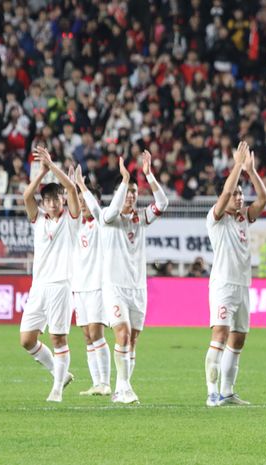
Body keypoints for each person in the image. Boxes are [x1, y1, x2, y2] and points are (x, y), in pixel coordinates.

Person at [204, 141, 266, 407]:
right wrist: (236, 167)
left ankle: (227, 392)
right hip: (223, 285)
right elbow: (226, 191)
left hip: (243, 285)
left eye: (242, 195)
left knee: (238, 337)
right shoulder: (216, 216)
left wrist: (250, 171)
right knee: (220, 333)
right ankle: (211, 392)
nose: (240, 198)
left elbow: (263, 199)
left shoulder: (243, 217)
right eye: (236, 195)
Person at [102, 150, 169, 404]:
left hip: (138, 288)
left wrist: (149, 175)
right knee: (122, 333)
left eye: (133, 192)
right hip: (115, 287)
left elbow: (162, 204)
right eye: (127, 191)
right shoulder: (109, 218)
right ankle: (122, 387)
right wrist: (125, 179)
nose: (131, 195)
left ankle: (123, 388)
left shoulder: (140, 218)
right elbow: (110, 212)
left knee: (133, 340)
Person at [20, 146, 80, 402]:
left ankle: (56, 389)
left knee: (58, 337)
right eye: (49, 200)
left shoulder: (71, 219)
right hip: (39, 286)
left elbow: (73, 189)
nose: (53, 203)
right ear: (44, 204)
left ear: (62, 200)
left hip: (61, 286)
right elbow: (26, 196)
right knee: (26, 340)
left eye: (57, 199)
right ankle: (60, 373)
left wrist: (52, 166)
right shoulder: (39, 220)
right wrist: (42, 173)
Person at [72, 166, 111, 396]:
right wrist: (71, 184)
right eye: (80, 200)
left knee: (97, 333)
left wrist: (82, 185)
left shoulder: (101, 223)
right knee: (87, 336)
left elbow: (95, 210)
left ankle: (105, 382)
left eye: (85, 199)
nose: (83, 204)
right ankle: (96, 383)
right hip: (80, 287)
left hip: (98, 285)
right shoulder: (76, 225)